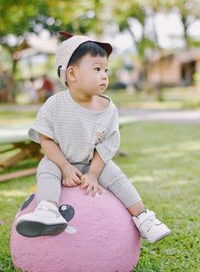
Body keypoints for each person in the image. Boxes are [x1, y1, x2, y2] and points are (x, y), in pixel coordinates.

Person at [16, 32, 171, 243]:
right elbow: (46, 140)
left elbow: (108, 145)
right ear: (72, 74)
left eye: (106, 69)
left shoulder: (108, 108)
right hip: (60, 159)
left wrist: (94, 174)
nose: (105, 75)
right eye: (97, 69)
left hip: (93, 162)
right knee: (46, 170)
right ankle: (48, 209)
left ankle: (143, 217)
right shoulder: (54, 105)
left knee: (118, 177)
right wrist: (64, 167)